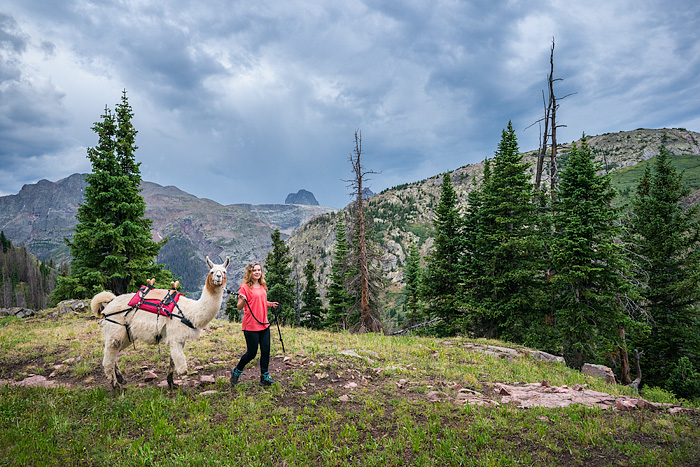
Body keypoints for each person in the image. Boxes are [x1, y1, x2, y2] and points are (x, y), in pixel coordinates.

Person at [231, 262, 279, 386]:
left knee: (266, 350)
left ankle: (265, 377)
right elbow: (239, 307)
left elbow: (260, 300)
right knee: (252, 353)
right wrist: (243, 300)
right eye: (254, 270)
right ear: (250, 273)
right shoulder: (244, 287)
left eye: (259, 270)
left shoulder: (262, 285)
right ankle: (237, 371)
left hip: (264, 324)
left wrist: (270, 304)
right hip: (251, 325)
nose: (257, 272)